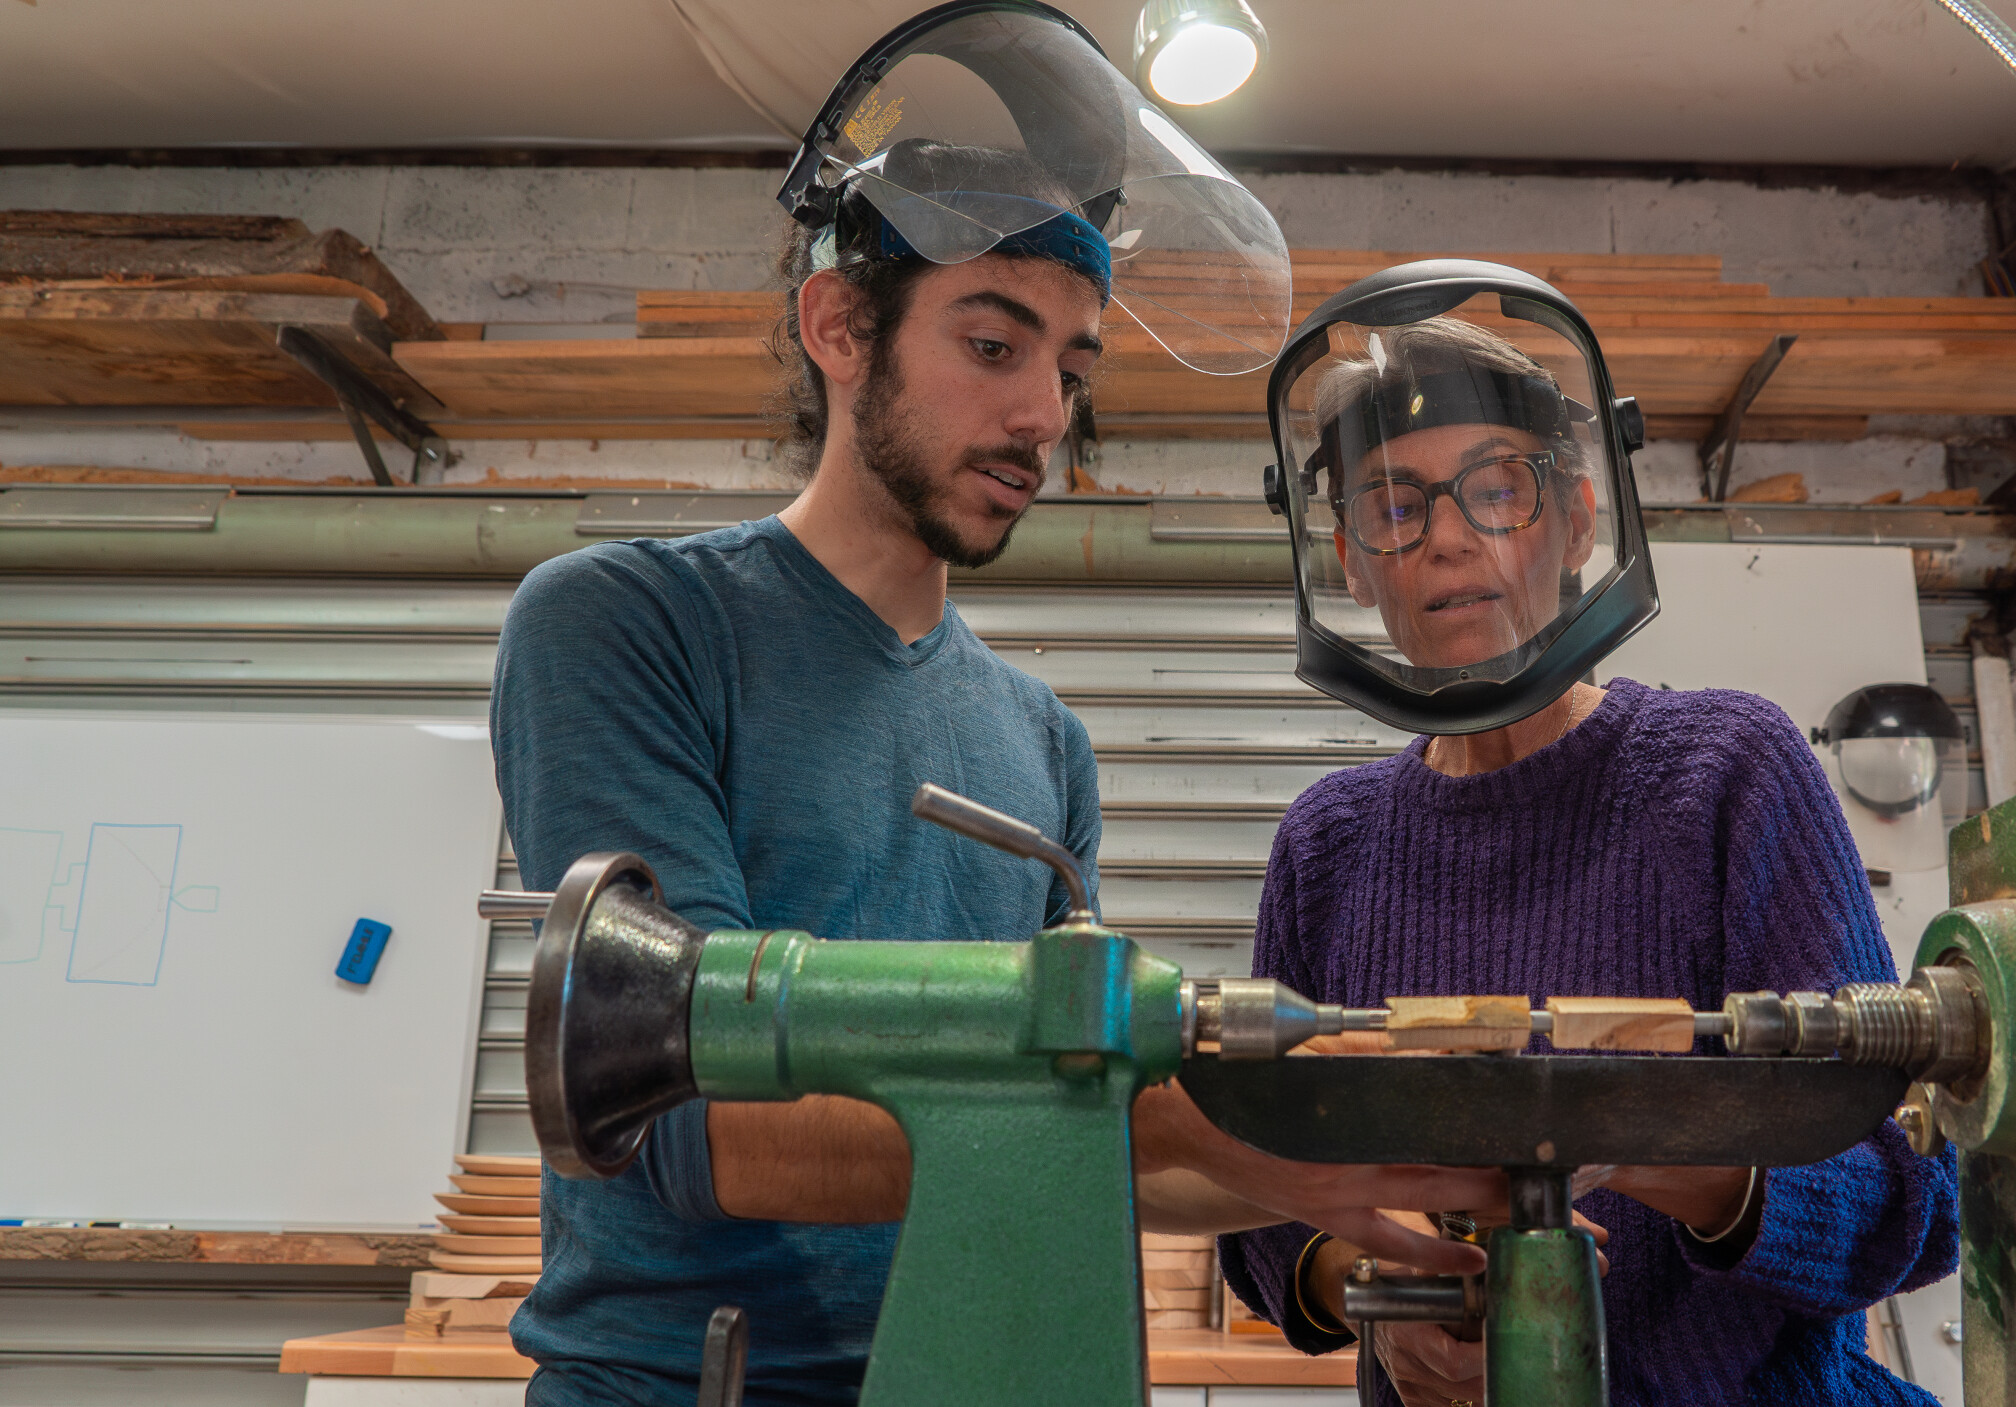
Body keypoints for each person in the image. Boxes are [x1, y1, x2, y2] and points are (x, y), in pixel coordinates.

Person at [490, 11, 1498, 1393]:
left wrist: (1320, 1187)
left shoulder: (1042, 742)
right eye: (993, 342)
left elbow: (1083, 1136)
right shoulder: (630, 622)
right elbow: (695, 1120)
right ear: (840, 325)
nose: (1044, 416)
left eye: (1074, 370)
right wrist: (1161, 1119)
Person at [1219, 305, 1960, 1405]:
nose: (1446, 536)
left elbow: (1909, 1202)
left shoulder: (1724, 771)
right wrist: (1374, 1287)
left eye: (1495, 488)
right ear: (1350, 562)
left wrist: (1612, 1138)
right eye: (1392, 505)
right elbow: (1257, 1200)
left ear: (1574, 520)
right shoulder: (1328, 841)